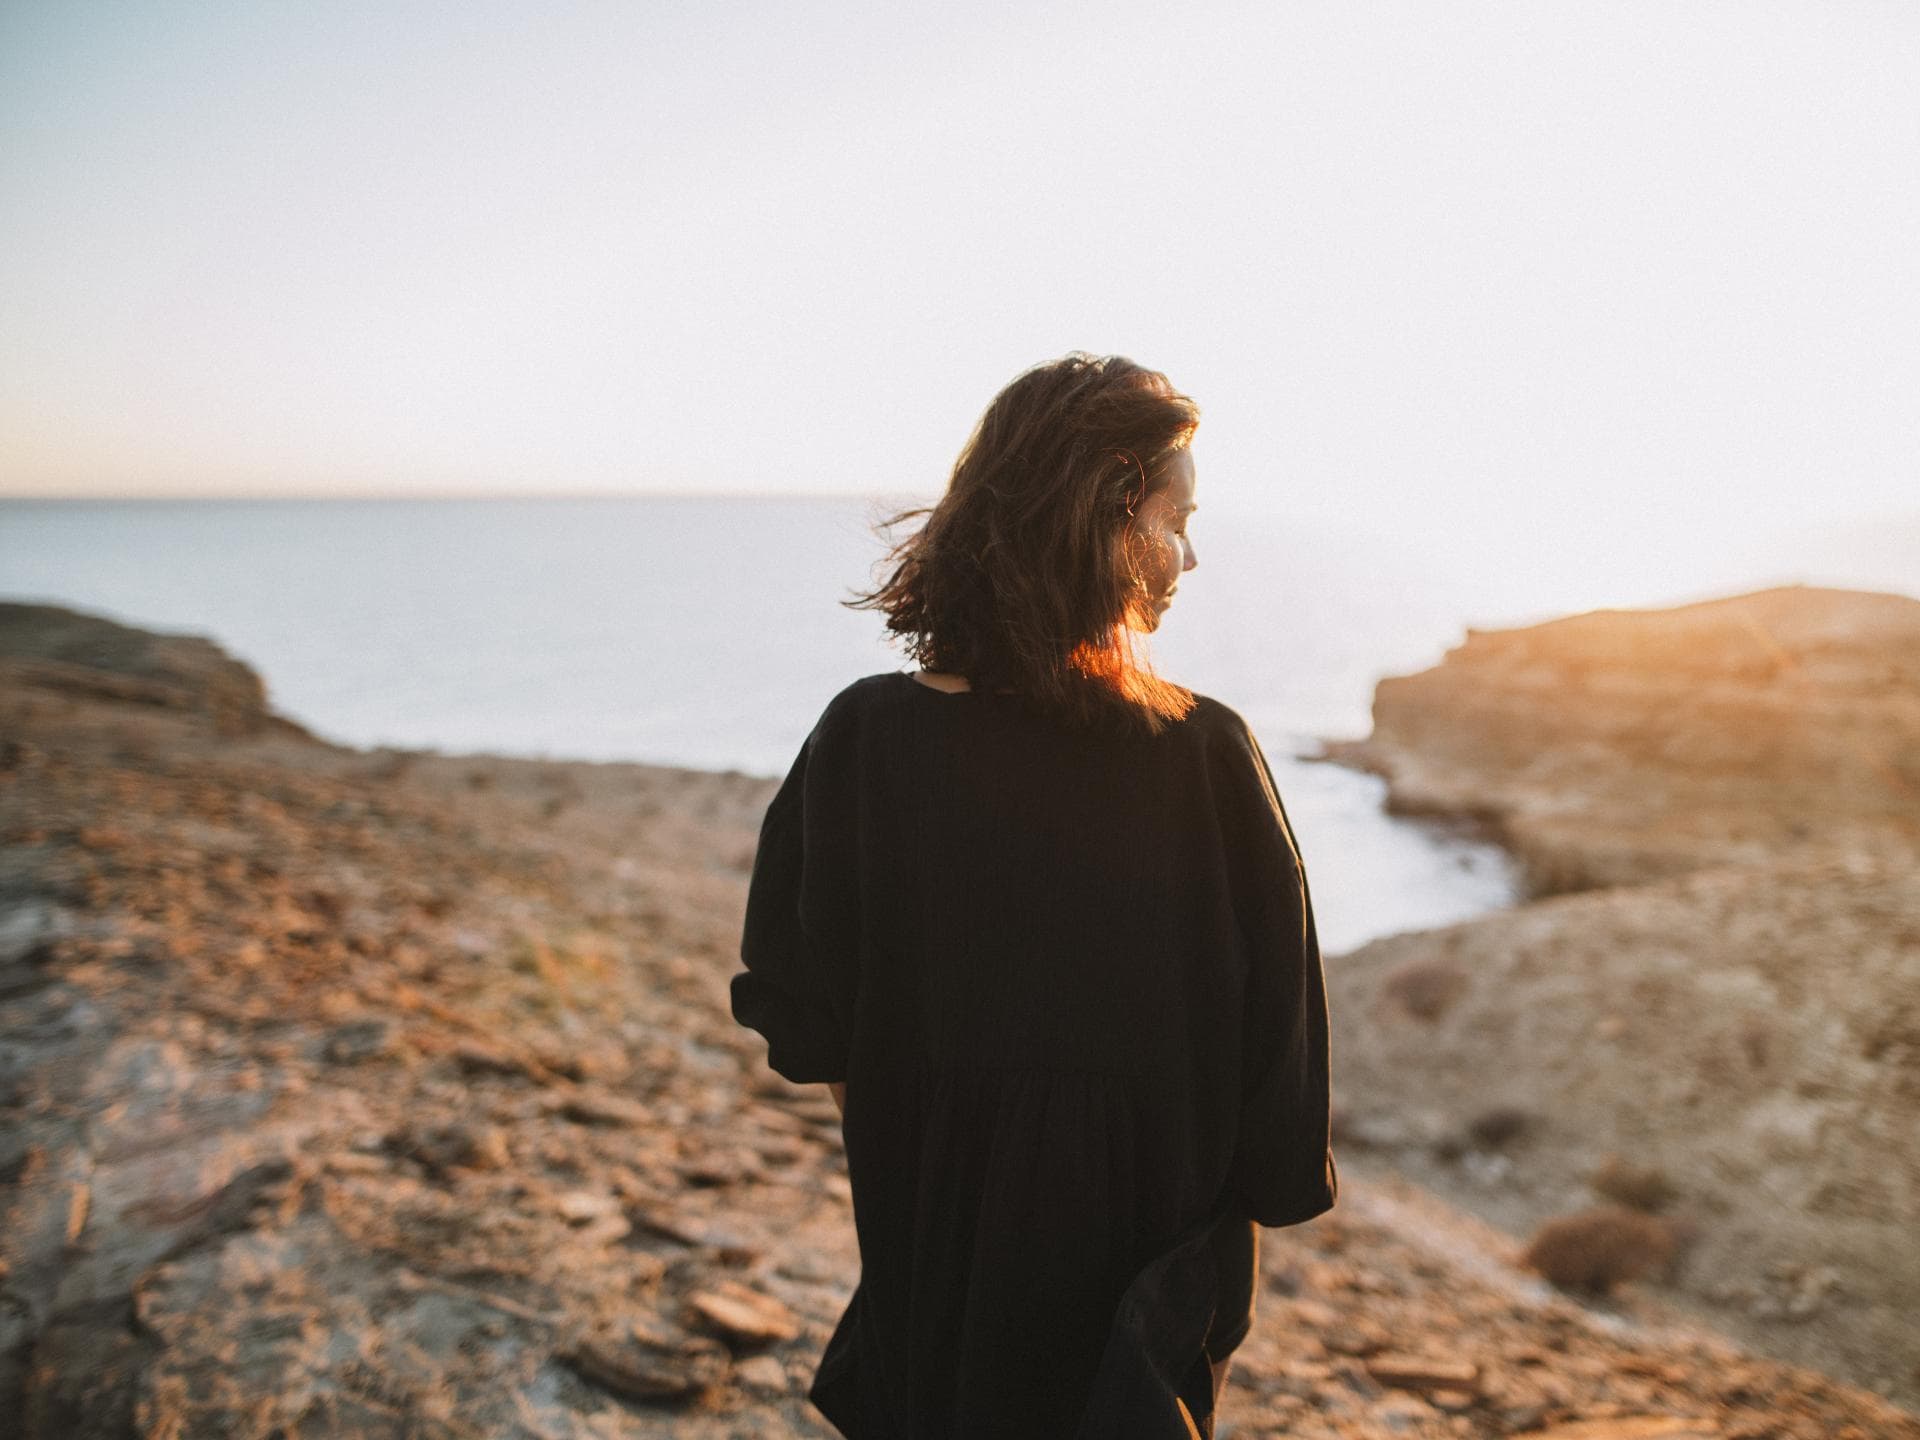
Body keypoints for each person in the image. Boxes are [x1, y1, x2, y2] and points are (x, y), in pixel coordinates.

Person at [730, 352, 1337, 1438]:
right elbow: (1279, 1065)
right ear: (1107, 514)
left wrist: (935, 1159)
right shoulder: (1205, 757)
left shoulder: (864, 741)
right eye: (1176, 517)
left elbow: (803, 1013)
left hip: (937, 1270)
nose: (1188, 555)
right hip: (1145, 1310)